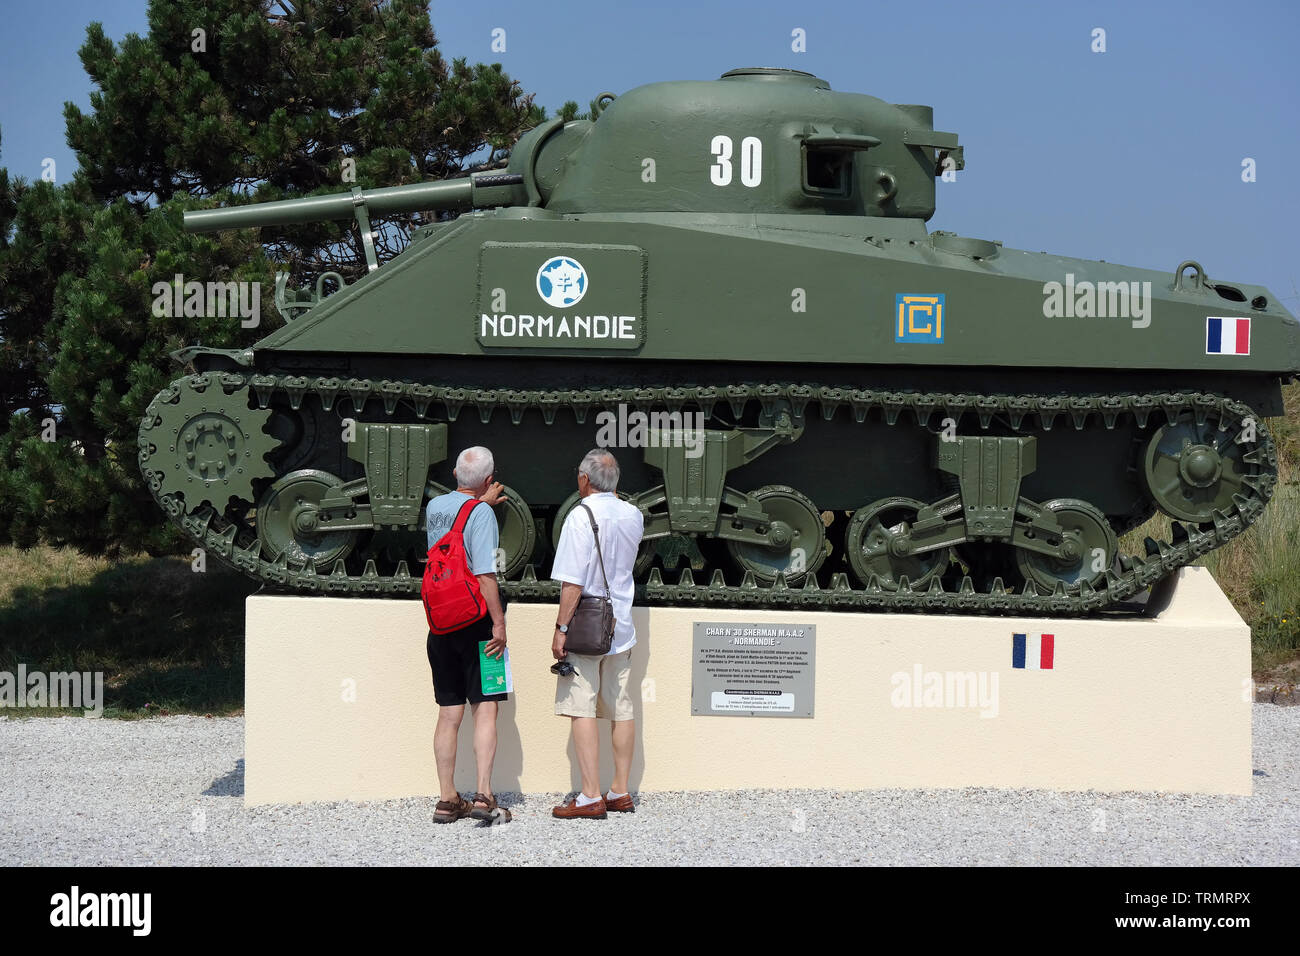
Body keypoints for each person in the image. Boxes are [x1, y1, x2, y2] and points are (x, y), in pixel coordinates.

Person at [550, 448, 645, 819]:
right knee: (622, 706)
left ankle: (590, 796)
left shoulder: (580, 515)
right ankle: (620, 790)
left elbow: (573, 582)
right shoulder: (633, 515)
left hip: (588, 625)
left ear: (584, 479)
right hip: (621, 624)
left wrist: (561, 628)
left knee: (581, 706)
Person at [425, 445, 510, 824]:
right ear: (489, 481)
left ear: (456, 476)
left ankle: (446, 800)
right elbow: (485, 575)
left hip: (441, 623)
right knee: (486, 709)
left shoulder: (434, 508)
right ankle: (483, 796)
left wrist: (480, 502)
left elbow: (457, 524)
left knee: (449, 713)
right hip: (476, 623)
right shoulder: (482, 514)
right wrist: (499, 624)